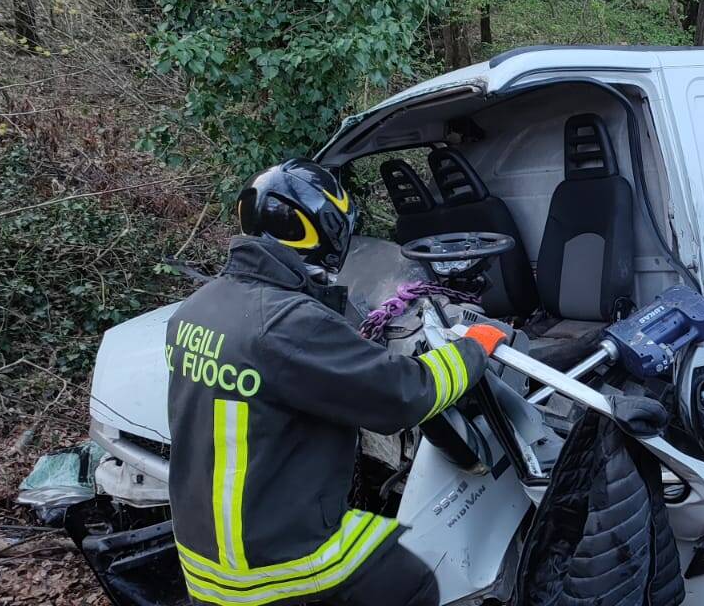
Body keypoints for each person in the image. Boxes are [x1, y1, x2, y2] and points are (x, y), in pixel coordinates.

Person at [164, 158, 506, 606]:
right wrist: (475, 348)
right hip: (269, 562)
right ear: (323, 230)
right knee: (414, 578)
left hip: (204, 557)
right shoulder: (288, 323)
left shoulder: (195, 311)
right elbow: (406, 394)